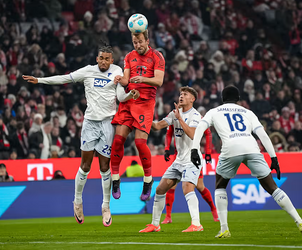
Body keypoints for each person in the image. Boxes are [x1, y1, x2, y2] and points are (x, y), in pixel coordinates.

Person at [22, 45, 140, 227]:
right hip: (90, 124)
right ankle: (77, 202)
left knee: (104, 167)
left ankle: (106, 207)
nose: (103, 61)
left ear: (111, 60)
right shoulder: (88, 71)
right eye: (101, 58)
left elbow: (120, 97)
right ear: (97, 58)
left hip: (108, 123)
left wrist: (130, 94)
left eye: (107, 59)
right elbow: (64, 79)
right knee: (85, 165)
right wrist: (40, 80)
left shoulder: (117, 71)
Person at [191, 85, 302, 238]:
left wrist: (195, 149)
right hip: (252, 148)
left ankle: (224, 229)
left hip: (230, 148)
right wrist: (274, 158)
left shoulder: (214, 111)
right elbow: (263, 134)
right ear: (239, 99)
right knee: (273, 187)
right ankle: (300, 221)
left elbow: (200, 128)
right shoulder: (248, 112)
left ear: (222, 99)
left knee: (220, 185)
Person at [139, 87, 204, 233]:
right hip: (179, 160)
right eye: (180, 94)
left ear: (192, 99)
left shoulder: (195, 116)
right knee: (160, 189)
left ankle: (197, 224)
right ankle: (155, 224)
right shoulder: (174, 114)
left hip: (192, 159)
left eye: (185, 94)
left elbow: (193, 134)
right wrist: (144, 118)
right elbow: (157, 126)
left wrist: (179, 118)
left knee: (187, 187)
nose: (181, 96)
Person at [111, 30, 165, 201]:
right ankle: (115, 179)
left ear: (147, 40)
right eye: (135, 42)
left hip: (145, 104)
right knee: (118, 140)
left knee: (140, 143)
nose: (138, 45)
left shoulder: (157, 56)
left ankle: (148, 181)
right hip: (129, 100)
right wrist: (121, 79)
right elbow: (127, 80)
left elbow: (159, 81)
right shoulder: (129, 56)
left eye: (140, 41)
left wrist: (142, 79)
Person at [162, 123, 218, 224]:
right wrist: (166, 148)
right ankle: (168, 216)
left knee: (200, 186)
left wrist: (208, 152)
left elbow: (208, 133)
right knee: (171, 186)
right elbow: (169, 132)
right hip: (179, 158)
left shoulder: (196, 116)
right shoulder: (175, 116)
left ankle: (213, 210)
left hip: (193, 157)